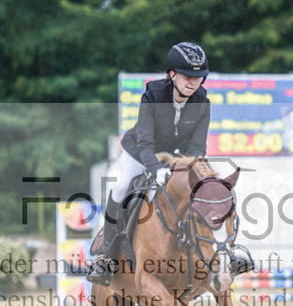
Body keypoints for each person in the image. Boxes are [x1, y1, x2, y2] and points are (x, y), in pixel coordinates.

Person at [87, 42, 212, 286]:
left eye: (198, 77)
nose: (193, 82)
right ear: (172, 75)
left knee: (210, 188)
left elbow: (198, 146)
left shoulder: (203, 103)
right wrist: (156, 170)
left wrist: (187, 169)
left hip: (175, 158)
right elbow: (145, 143)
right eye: (188, 76)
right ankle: (105, 258)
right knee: (121, 187)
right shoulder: (152, 95)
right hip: (140, 152)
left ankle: (223, 253)